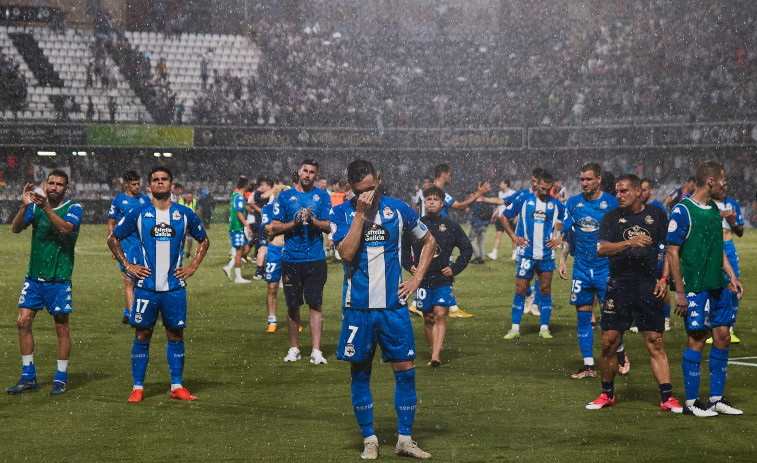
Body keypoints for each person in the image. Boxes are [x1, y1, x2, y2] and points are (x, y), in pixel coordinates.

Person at [331, 159, 435, 460]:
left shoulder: (399, 209)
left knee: (406, 372)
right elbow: (348, 252)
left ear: (379, 178)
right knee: (360, 375)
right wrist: (360, 214)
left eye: (372, 188)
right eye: (362, 191)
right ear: (352, 188)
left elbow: (429, 240)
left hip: (394, 308)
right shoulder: (341, 212)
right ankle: (369, 439)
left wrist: (416, 279)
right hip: (358, 310)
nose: (369, 196)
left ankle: (404, 439)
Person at [108, 166, 209, 403]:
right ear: (149, 186)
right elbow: (113, 239)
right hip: (146, 289)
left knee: (175, 335)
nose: (160, 183)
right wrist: (128, 266)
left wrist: (192, 266)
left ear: (171, 185)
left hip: (174, 288)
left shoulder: (185, 214)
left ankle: (176, 385)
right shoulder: (139, 213)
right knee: (142, 335)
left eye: (164, 179)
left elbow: (203, 240)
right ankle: (138, 387)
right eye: (156, 180)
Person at [585, 174, 682, 413]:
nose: (619, 195)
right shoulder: (611, 217)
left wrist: (663, 279)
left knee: (655, 341)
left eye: (624, 191)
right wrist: (629, 243)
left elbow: (670, 249)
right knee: (609, 342)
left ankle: (667, 398)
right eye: (617, 191)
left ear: (639, 191)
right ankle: (606, 394)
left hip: (648, 287)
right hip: (618, 286)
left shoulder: (657, 215)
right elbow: (601, 249)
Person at [667, 161, 743, 417]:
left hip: (717, 286)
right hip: (695, 288)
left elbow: (718, 249)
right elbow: (672, 252)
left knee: (721, 337)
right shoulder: (682, 210)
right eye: (722, 180)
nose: (725, 185)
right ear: (710, 181)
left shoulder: (713, 210)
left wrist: (732, 277)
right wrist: (679, 291)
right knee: (697, 340)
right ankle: (691, 403)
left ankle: (715, 399)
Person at [7, 170, 82, 396]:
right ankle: (28, 376)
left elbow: (65, 228)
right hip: (34, 278)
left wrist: (45, 207)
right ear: (46, 184)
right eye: (51, 183)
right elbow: (16, 228)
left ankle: (60, 378)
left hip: (59, 279)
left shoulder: (74, 208)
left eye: (59, 184)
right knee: (22, 322)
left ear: (66, 189)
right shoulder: (35, 207)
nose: (54, 187)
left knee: (61, 328)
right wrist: (24, 206)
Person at [269, 159, 331, 364]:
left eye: (312, 172)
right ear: (299, 171)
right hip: (291, 259)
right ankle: (294, 348)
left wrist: (312, 221)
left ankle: (316, 351)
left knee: (315, 304)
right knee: (292, 305)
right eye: (305, 171)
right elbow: (274, 228)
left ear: (316, 175)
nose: (308, 175)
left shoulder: (322, 196)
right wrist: (293, 223)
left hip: (315, 259)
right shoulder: (285, 197)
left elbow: (330, 226)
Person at [559, 163, 618, 379]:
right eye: (582, 179)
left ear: (599, 179)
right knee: (583, 316)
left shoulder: (611, 203)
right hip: (581, 269)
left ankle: (620, 355)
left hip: (605, 270)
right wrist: (563, 259)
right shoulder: (573, 203)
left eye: (589, 179)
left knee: (610, 318)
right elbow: (567, 235)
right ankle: (588, 365)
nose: (584, 183)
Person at [403, 185, 472, 366]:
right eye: (428, 199)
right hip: (423, 280)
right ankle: (433, 350)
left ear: (442, 203)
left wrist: (455, 268)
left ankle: (435, 356)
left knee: (440, 314)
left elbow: (467, 249)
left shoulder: (451, 226)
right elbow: (403, 248)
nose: (431, 202)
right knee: (428, 317)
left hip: (443, 279)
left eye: (435, 199)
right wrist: (409, 265)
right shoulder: (416, 224)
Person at [501, 171, 564, 340]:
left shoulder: (556, 204)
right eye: (541, 188)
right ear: (537, 185)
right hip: (526, 254)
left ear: (551, 187)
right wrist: (514, 237)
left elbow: (571, 221)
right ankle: (514, 328)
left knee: (545, 289)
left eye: (547, 189)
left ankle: (544, 328)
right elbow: (503, 217)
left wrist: (560, 239)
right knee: (521, 289)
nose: (543, 191)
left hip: (546, 255)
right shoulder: (523, 199)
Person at [432, 163, 490, 318]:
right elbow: (458, 205)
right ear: (443, 174)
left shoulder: (429, 190)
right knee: (447, 268)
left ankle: (423, 302)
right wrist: (478, 194)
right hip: (440, 234)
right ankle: (450, 308)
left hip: (434, 232)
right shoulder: (439, 192)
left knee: (436, 269)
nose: (450, 177)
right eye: (449, 174)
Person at [108, 170, 150, 324]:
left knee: (141, 279)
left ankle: (131, 310)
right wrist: (113, 246)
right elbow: (111, 222)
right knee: (128, 280)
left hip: (141, 245)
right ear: (125, 184)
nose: (137, 187)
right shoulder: (118, 201)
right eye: (133, 184)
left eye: (138, 184)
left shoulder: (145, 200)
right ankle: (133, 316)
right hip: (125, 244)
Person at [710, 181, 744, 344]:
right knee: (710, 287)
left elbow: (740, 232)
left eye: (726, 186)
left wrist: (733, 222)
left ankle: (729, 329)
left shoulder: (732, 204)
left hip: (728, 247)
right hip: (711, 248)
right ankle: (712, 327)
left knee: (734, 287)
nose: (724, 189)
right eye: (721, 186)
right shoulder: (706, 204)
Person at [640, 178, 671, 330]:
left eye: (644, 190)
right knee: (643, 286)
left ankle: (666, 318)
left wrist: (660, 251)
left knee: (661, 285)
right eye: (639, 190)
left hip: (657, 256)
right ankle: (644, 318)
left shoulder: (658, 208)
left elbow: (665, 234)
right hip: (642, 256)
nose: (641, 193)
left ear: (651, 190)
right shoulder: (637, 207)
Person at [261, 185, 288, 333]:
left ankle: (293, 319)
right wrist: (289, 225)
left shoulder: (292, 209)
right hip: (275, 251)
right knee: (272, 287)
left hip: (290, 250)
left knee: (292, 288)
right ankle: (272, 320)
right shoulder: (267, 209)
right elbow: (269, 229)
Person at [223, 176, 253, 283]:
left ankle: (229, 266)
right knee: (239, 251)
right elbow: (238, 212)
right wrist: (247, 225)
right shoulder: (239, 197)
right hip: (237, 227)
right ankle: (238, 277)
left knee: (246, 248)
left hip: (237, 226)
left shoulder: (235, 195)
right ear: (245, 186)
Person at [487, 179, 517, 261]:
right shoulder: (500, 193)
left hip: (509, 217)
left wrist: (516, 216)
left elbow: (516, 205)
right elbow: (500, 205)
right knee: (498, 235)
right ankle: (494, 253)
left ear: (506, 184)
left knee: (512, 236)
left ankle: (515, 253)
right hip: (501, 217)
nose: (500, 184)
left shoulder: (512, 193)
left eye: (501, 183)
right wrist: (495, 213)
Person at [467, 195, 491, 264]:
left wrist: (469, 201)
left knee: (470, 240)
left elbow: (467, 210)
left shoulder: (474, 202)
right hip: (485, 224)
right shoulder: (485, 202)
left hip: (476, 224)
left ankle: (477, 256)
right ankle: (482, 258)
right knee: (480, 242)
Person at [179, 191, 198, 257]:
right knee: (179, 238)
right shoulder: (180, 201)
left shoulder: (195, 202)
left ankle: (188, 253)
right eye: (187, 197)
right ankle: (179, 252)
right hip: (181, 223)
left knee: (189, 239)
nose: (189, 199)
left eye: (190, 197)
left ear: (192, 197)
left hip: (190, 223)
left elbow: (197, 211)